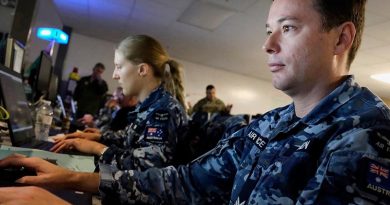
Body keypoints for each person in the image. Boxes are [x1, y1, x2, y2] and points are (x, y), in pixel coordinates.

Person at [2, 0, 390, 204]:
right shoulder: (274, 123)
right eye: (269, 30)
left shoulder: (365, 136)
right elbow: (186, 182)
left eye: (287, 29)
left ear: (341, 39)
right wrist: (71, 179)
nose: (267, 45)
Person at [50, 35, 188, 173]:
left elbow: (145, 169)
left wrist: (97, 148)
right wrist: (99, 137)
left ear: (142, 70)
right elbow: (129, 138)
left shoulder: (163, 111)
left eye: (119, 67)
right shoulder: (150, 105)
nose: (114, 75)